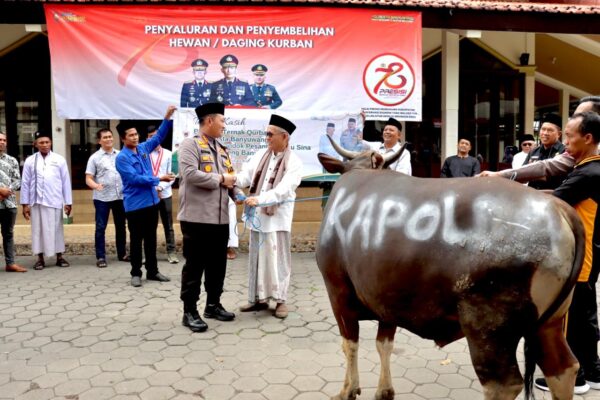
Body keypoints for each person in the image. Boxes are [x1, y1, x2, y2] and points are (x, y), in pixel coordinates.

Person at [534, 111, 600, 395]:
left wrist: (509, 191)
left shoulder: (587, 173)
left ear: (588, 138)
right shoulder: (591, 167)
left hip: (582, 255)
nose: (566, 141)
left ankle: (575, 378)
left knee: (572, 317)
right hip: (592, 252)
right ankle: (593, 370)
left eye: (570, 136)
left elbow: (553, 201)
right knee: (586, 315)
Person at [178, 102, 239, 333]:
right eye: (222, 121)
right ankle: (189, 311)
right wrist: (222, 180)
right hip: (196, 219)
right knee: (194, 266)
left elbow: (230, 178)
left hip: (220, 219)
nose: (224, 125)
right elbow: (191, 175)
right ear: (210, 120)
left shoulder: (222, 149)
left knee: (217, 265)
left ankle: (212, 305)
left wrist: (238, 193)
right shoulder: (189, 145)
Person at [236, 114, 303, 319]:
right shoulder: (260, 155)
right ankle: (258, 299)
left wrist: (261, 199)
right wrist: (231, 183)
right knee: (257, 259)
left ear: (284, 137)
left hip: (277, 219)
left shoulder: (294, 162)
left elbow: (284, 190)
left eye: (270, 134)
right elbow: (244, 177)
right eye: (266, 133)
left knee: (278, 259)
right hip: (258, 217)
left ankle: (281, 300)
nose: (266, 137)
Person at [115, 106, 176, 287]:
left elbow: (158, 137)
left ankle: (153, 271)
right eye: (130, 135)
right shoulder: (122, 158)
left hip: (152, 202)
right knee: (136, 240)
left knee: (151, 238)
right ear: (123, 138)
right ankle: (135, 273)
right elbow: (134, 179)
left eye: (135, 134)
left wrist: (167, 117)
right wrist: (159, 178)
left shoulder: (142, 148)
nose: (135, 137)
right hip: (135, 206)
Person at [478, 96, 600, 182]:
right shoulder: (535, 152)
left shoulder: (578, 152)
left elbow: (548, 169)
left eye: (581, 116)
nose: (566, 142)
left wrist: (501, 175)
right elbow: (542, 168)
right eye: (543, 129)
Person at [20, 131, 72, 270]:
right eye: (41, 142)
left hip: (54, 200)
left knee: (57, 229)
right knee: (38, 230)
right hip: (36, 202)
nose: (44, 145)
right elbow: (25, 182)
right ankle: (40, 258)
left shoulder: (59, 159)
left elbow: (65, 181)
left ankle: (59, 256)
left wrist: (68, 201)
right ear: (35, 144)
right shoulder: (30, 160)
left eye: (47, 142)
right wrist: (25, 204)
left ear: (51, 143)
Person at [85, 128, 128, 268]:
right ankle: (101, 257)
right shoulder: (94, 158)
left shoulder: (121, 155)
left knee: (121, 226)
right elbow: (88, 178)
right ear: (99, 141)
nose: (108, 139)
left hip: (120, 196)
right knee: (100, 227)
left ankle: (122, 254)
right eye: (105, 137)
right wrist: (95, 186)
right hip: (102, 198)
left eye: (110, 136)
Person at [147, 125, 179, 264]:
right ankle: (148, 254)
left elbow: (172, 175)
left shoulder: (169, 154)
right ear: (147, 139)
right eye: (150, 137)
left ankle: (171, 252)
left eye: (155, 136)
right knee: (148, 226)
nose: (153, 139)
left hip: (165, 194)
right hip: (148, 195)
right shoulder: (143, 153)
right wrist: (153, 188)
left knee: (168, 225)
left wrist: (159, 188)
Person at [0, 131, 25, 273]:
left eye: (4, 140)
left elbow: (17, 181)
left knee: (8, 234)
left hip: (9, 204)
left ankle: (10, 263)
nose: (2, 142)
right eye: (0, 139)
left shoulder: (12, 160)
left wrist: (6, 191)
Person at [524, 113, 565, 189]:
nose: (545, 133)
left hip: (553, 197)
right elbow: (523, 173)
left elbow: (560, 178)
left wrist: (532, 173)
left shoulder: (564, 152)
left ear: (559, 134)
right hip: (533, 196)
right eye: (543, 129)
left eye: (550, 130)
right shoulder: (533, 151)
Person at [318, 122, 339, 210]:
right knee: (326, 185)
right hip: (325, 164)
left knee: (337, 185)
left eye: (331, 129)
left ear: (333, 130)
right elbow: (321, 149)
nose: (329, 130)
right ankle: (325, 206)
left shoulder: (337, 138)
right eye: (328, 129)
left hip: (336, 163)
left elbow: (338, 150)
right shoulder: (322, 138)